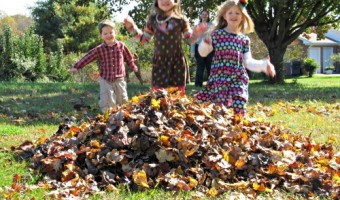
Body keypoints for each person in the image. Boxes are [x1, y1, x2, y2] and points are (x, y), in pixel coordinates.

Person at [194, 0, 276, 116]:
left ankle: (238, 126)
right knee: (220, 107)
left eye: (237, 13)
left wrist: (263, 65)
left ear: (242, 16)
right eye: (230, 13)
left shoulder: (244, 39)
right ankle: (222, 127)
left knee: (239, 101)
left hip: (238, 76)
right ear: (224, 15)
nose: (234, 15)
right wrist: (205, 44)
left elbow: (248, 61)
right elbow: (203, 53)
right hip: (219, 77)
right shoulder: (217, 35)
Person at [123, 0, 206, 95]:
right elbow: (144, 40)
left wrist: (196, 35)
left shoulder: (181, 20)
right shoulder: (153, 20)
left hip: (177, 62)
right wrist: (132, 28)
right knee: (158, 94)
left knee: (177, 94)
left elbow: (189, 40)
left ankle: (177, 109)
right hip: (159, 63)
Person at [68, 19, 138, 113]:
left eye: (110, 32)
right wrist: (76, 67)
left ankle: (122, 115)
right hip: (106, 79)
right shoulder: (99, 49)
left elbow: (128, 57)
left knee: (122, 99)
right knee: (107, 100)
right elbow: (88, 57)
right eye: (105, 33)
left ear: (115, 32)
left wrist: (132, 65)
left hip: (119, 78)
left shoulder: (121, 46)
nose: (108, 35)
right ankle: (108, 116)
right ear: (101, 35)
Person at [190, 9, 214, 87]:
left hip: (209, 48)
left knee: (210, 66)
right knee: (200, 66)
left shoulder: (212, 26)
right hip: (199, 48)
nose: (204, 16)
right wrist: (192, 51)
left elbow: (216, 37)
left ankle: (211, 85)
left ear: (208, 16)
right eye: (203, 14)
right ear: (200, 16)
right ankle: (198, 84)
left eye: (206, 14)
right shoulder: (196, 26)